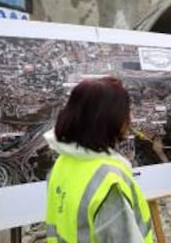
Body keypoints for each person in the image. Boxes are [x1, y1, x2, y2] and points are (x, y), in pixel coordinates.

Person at [44, 76, 153, 242]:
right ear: (110, 119)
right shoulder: (108, 183)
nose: (130, 117)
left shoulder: (62, 163)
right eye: (126, 111)